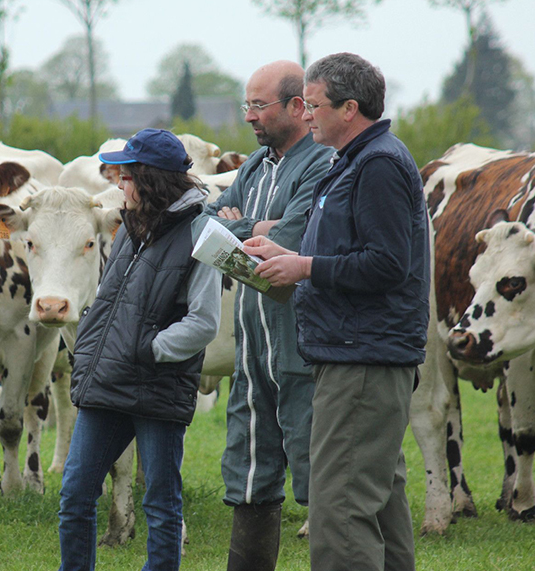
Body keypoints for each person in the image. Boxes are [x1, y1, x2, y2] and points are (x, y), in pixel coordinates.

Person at [244, 52, 430, 571]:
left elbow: (388, 264)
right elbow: (351, 251)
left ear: (350, 109)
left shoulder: (378, 165)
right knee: (380, 504)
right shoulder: (354, 163)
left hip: (363, 360)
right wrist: (288, 256)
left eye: (316, 105)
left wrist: (304, 268)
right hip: (357, 356)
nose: (306, 115)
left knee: (340, 513)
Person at [58, 128, 222, 571]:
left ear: (149, 179)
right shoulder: (129, 226)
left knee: (161, 504)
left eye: (125, 176)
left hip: (157, 387)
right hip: (108, 381)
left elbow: (204, 322)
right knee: (75, 495)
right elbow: (110, 302)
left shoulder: (203, 232)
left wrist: (148, 350)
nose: (117, 184)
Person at [191, 60, 331, 571]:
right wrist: (256, 225)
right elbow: (204, 224)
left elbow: (289, 242)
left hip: (302, 346)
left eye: (258, 105)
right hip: (252, 351)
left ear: (297, 106)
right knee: (249, 471)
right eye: (245, 104)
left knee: (321, 472)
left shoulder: (320, 162)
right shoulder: (254, 166)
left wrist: (243, 226)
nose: (249, 116)